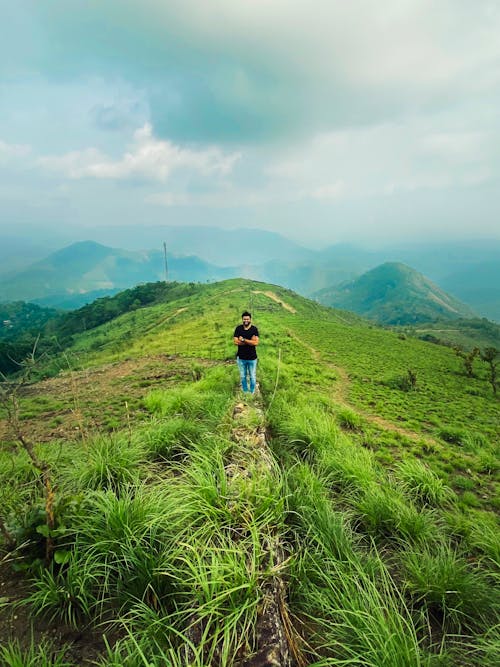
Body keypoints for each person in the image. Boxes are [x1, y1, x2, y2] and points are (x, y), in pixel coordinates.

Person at [233, 311, 259, 394]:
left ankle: (251, 392)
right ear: (242, 319)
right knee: (243, 376)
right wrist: (250, 341)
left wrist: (243, 340)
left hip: (252, 358)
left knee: (252, 376)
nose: (246, 320)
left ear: (250, 319)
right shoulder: (238, 328)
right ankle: (245, 391)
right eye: (244, 319)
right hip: (241, 358)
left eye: (247, 319)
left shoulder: (254, 329)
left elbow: (255, 343)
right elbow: (236, 342)